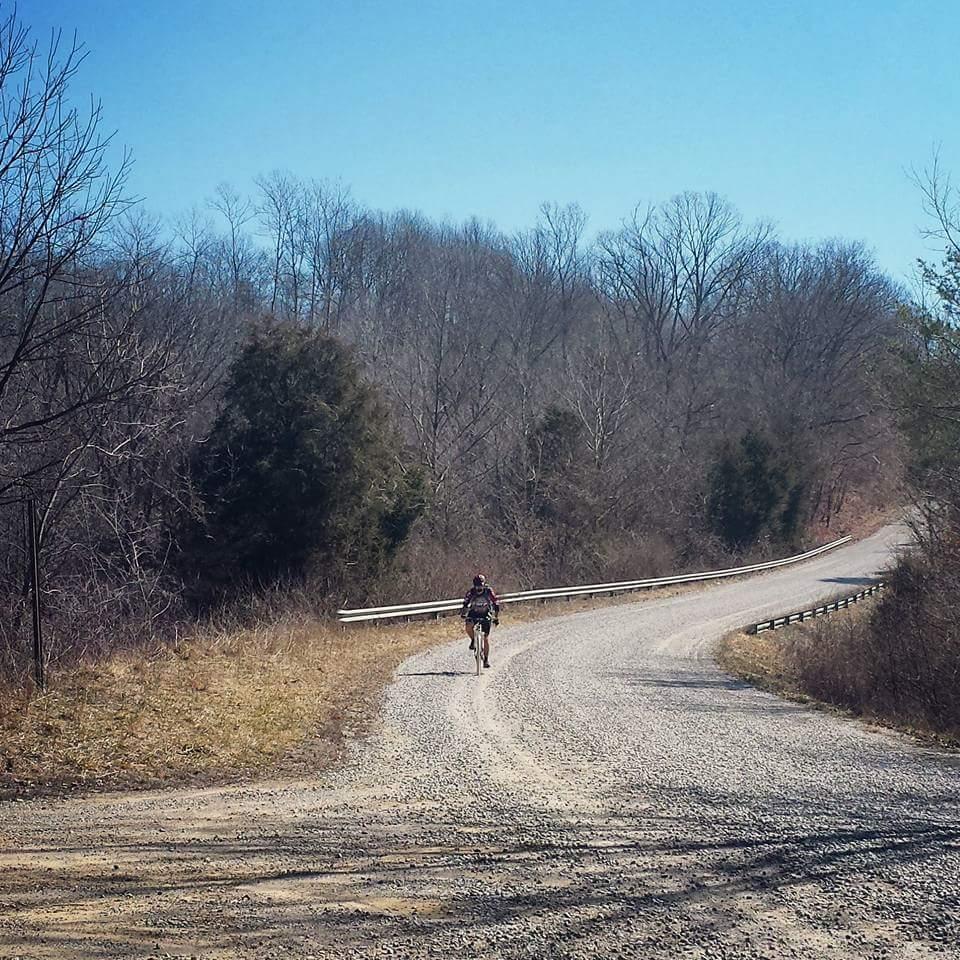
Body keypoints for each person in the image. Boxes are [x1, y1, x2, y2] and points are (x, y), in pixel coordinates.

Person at [460, 573, 499, 668]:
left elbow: (495, 603)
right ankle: (473, 639)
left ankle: (486, 659)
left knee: (485, 638)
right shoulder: (471, 592)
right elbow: (465, 603)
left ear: (484, 584)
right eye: (477, 586)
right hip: (474, 613)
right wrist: (463, 613)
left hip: (486, 613)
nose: (479, 588)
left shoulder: (488, 591)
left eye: (480, 585)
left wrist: (496, 617)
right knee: (468, 626)